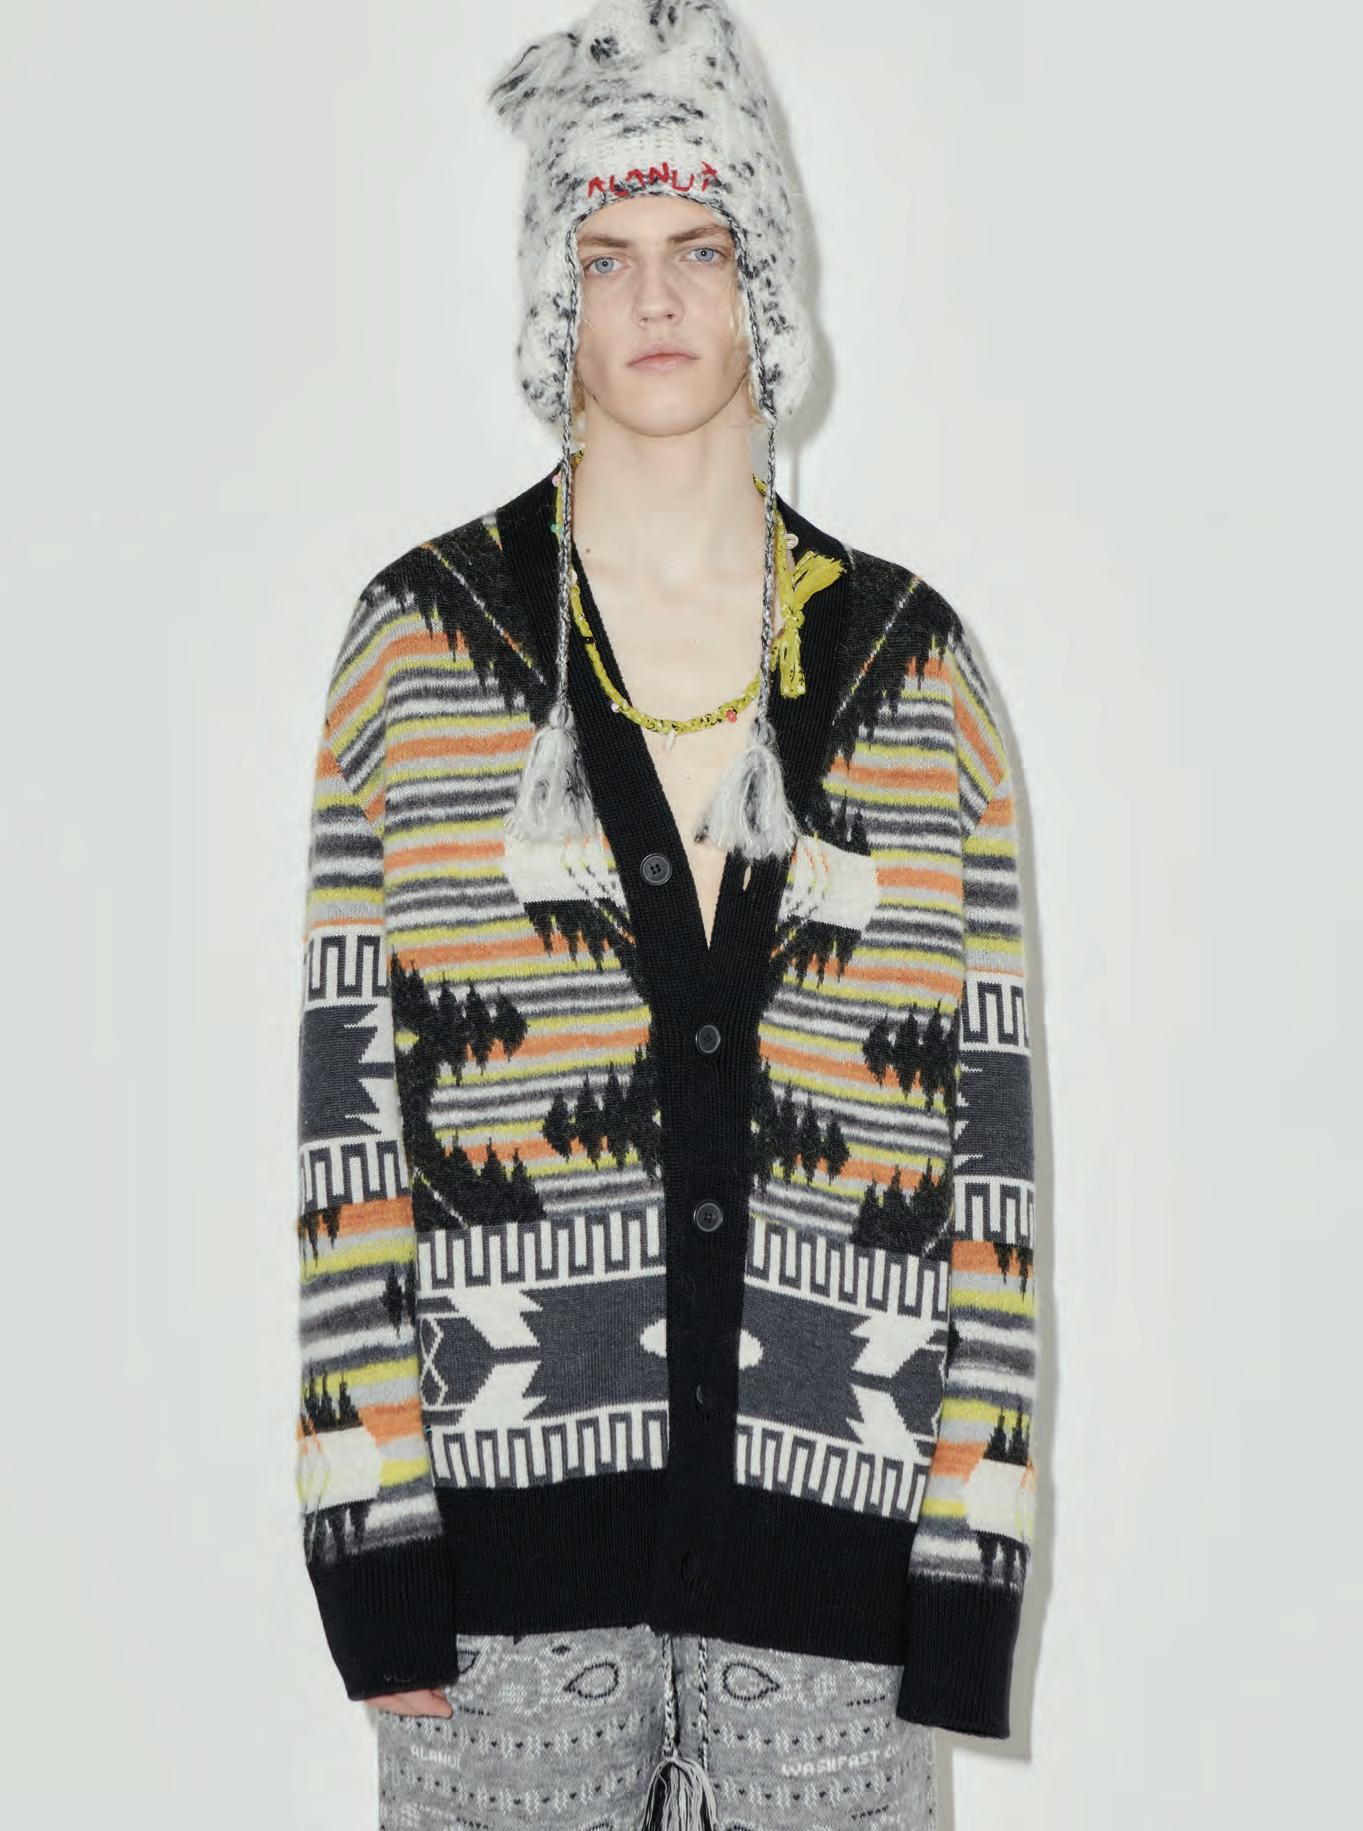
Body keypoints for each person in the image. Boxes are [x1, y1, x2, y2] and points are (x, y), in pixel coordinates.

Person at [293, 3, 1040, 1826]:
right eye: (606, 253)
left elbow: (989, 1154)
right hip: (492, 1606)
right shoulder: (423, 649)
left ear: (762, 283)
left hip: (841, 1605)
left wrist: (967, 1575)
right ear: (550, 296)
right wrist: (369, 1540)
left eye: (699, 247)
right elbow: (346, 1129)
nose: (652, 298)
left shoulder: (911, 672)